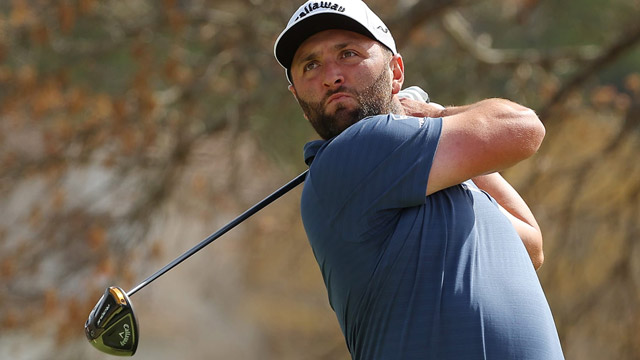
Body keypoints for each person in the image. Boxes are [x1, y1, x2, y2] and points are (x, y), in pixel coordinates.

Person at [274, 0, 564, 359]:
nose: (331, 75)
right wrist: (437, 114)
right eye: (310, 65)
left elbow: (529, 244)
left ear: (396, 72)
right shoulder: (355, 152)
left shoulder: (422, 172)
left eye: (348, 54)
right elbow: (521, 127)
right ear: (300, 101)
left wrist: (431, 128)